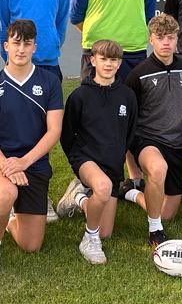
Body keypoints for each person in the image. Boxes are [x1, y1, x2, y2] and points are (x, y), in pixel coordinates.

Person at [0, 20, 63, 285]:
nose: (21, 49)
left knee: (31, 245)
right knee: (5, 194)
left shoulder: (49, 82)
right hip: (0, 163)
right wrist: (7, 166)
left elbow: (54, 131)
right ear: (6, 46)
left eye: (27, 44)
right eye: (16, 43)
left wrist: (24, 162)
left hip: (33, 163)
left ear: (35, 47)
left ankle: (6, 218)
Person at [70, 0, 157, 190]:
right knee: (93, 116)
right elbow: (76, 16)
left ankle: (134, 177)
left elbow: (148, 15)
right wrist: (101, 45)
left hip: (133, 55)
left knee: (129, 114)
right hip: (97, 57)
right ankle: (89, 177)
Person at [55, 39, 137, 265]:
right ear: (93, 61)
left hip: (112, 165)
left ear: (119, 63)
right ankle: (89, 240)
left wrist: (117, 153)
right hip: (86, 159)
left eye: (114, 60)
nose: (108, 64)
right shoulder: (79, 96)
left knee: (106, 232)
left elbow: (129, 133)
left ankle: (79, 197)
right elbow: (67, 134)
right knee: (102, 187)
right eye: (103, 59)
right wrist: (78, 161)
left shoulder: (127, 96)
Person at [121, 14, 182, 247]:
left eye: (170, 37)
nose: (166, 43)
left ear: (177, 39)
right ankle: (155, 229)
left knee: (167, 212)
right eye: (160, 38)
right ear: (151, 40)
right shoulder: (138, 74)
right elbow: (128, 116)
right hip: (147, 140)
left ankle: (132, 194)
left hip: (176, 143)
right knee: (158, 168)